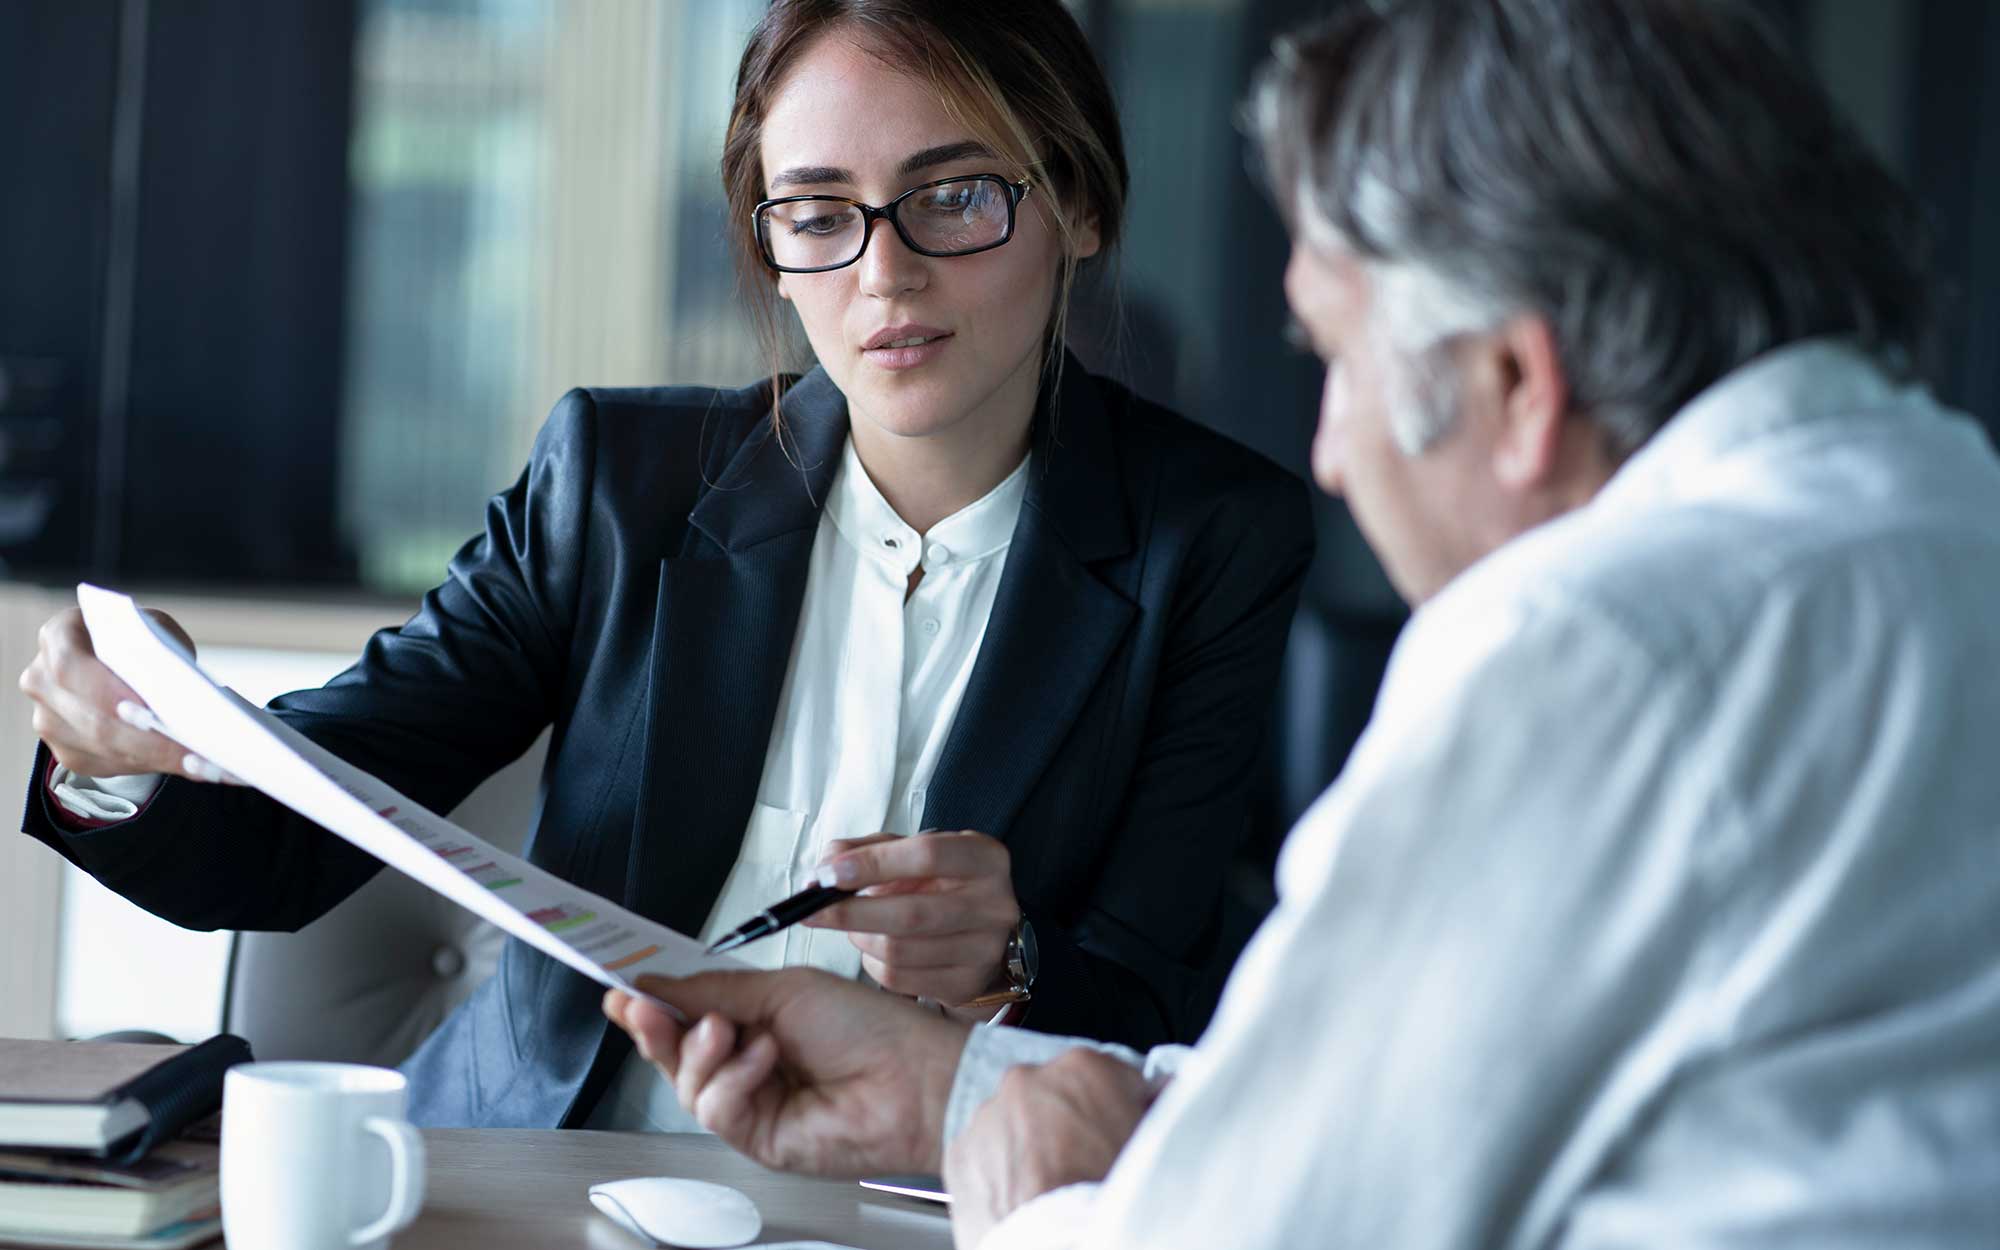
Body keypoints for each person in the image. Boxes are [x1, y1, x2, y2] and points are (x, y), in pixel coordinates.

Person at [599, 0, 2000, 1245]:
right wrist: (947, 1088)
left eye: (1333, 357)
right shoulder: (1947, 517)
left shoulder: (1591, 648)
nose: (1327, 451)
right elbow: (1388, 1089)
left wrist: (1029, 1204)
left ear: (1518, 382)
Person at [15, 0, 1314, 1130]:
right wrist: (122, 752)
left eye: (956, 196)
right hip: (536, 1179)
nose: (886, 271)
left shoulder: (1211, 539)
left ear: (1077, 206)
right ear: (772, 246)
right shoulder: (616, 482)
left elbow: (1166, 1009)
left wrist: (1009, 963)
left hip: (925, 1202)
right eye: (819, 214)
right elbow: (292, 835)